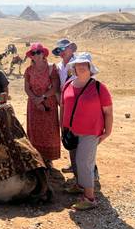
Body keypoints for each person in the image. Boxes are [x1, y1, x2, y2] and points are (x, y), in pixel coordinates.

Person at [61, 52, 113, 210]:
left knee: (85, 162)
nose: (81, 67)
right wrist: (62, 126)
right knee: (76, 160)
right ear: (74, 68)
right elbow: (63, 107)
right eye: (78, 65)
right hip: (71, 130)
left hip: (90, 131)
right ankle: (80, 185)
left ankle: (90, 198)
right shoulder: (68, 85)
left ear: (90, 68)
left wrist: (107, 131)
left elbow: (108, 111)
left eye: (84, 64)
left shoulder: (99, 87)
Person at [24, 43, 61, 167]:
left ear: (43, 53)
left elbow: (55, 87)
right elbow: (27, 88)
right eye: (34, 53)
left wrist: (42, 98)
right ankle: (36, 157)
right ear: (31, 56)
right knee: (35, 130)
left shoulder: (51, 67)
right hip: (33, 104)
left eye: (39, 52)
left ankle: (48, 159)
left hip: (48, 103)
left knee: (49, 131)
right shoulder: (28, 70)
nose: (37, 55)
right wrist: (35, 100)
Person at [52, 38, 78, 173]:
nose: (61, 52)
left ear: (71, 48)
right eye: (59, 50)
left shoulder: (80, 63)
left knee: (81, 137)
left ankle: (89, 169)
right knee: (68, 135)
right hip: (64, 105)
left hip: (79, 106)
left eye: (63, 49)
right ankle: (74, 165)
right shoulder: (59, 67)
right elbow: (58, 87)